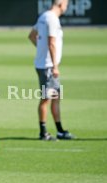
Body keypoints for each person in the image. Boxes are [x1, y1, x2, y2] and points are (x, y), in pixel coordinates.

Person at [28, 0, 74, 140]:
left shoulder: (44, 16)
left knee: (55, 97)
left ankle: (60, 130)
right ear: (60, 4)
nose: (67, 6)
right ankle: (43, 133)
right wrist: (55, 65)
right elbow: (51, 42)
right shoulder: (52, 19)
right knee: (46, 98)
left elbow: (31, 36)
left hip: (44, 63)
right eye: (66, 3)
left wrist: (41, 50)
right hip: (48, 66)